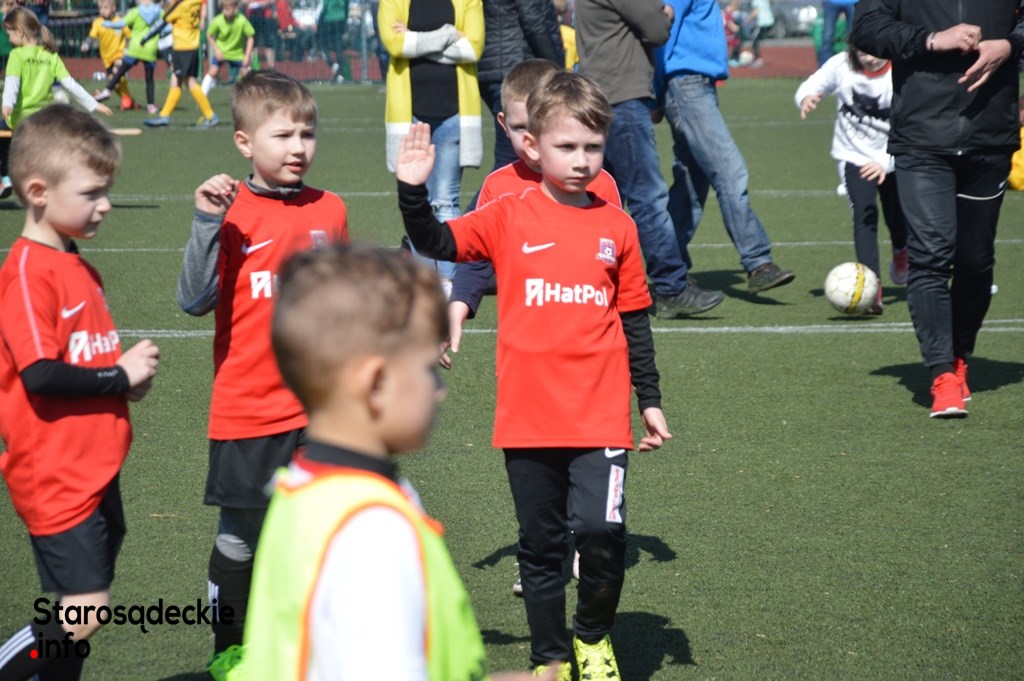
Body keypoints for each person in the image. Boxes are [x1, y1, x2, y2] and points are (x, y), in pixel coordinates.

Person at [397, 71, 673, 681]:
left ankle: (592, 638)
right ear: (532, 145)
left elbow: (635, 320)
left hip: (601, 414)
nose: (581, 160)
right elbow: (436, 240)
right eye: (566, 146)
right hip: (528, 416)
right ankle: (549, 657)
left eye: (592, 147)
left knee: (601, 532)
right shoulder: (506, 214)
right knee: (542, 547)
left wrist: (649, 399)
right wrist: (412, 191)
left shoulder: (618, 227)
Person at [229, 245, 553, 681]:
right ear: (376, 383)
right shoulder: (373, 529)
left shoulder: (301, 487)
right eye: (427, 370)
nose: (439, 390)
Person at [176, 70, 349, 678]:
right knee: (242, 535)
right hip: (249, 407)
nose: (298, 147)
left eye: (307, 134)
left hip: (320, 409)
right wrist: (206, 222)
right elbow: (194, 299)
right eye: (283, 135)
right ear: (245, 142)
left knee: (321, 530)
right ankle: (231, 647)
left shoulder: (331, 208)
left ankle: (309, 645)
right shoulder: (231, 212)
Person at [0, 104, 160, 681]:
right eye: (92, 193)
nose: (106, 205)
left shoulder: (79, 267)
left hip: (95, 467)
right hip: (55, 470)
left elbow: (80, 364)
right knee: (85, 611)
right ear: (38, 192)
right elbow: (40, 374)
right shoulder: (28, 274)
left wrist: (123, 386)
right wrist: (117, 378)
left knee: (73, 608)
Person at [851, 0, 1023, 417]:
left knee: (975, 262)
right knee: (930, 256)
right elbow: (867, 28)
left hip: (990, 135)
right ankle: (943, 373)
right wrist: (930, 40)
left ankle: (960, 356)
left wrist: (1011, 45)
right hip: (922, 136)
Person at [447, 58, 621, 365]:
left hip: (590, 343)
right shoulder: (497, 186)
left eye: (541, 127)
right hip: (525, 348)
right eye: (520, 128)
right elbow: (475, 259)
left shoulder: (600, 184)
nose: (531, 140)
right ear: (503, 124)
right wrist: (457, 306)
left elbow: (616, 267)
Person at [577, 0, 727, 318]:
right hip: (622, 97)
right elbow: (657, 29)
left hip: (603, 94)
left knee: (603, 199)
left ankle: (590, 282)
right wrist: (667, 13)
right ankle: (671, 286)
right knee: (647, 196)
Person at [656, 0, 795, 296]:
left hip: (693, 82)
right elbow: (662, 31)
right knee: (730, 171)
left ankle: (669, 263)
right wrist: (655, 91)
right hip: (686, 83)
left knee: (693, 180)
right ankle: (758, 262)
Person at [379, 0, 484, 297]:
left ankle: (448, 281)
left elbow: (473, 48)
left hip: (455, 113)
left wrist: (415, 40)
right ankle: (426, 281)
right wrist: (451, 34)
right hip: (410, 115)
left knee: (447, 199)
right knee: (417, 198)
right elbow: (395, 43)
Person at [796, 40, 907, 314]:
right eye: (862, 51)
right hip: (854, 156)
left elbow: (913, 128)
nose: (869, 58)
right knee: (864, 215)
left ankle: (901, 250)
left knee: (897, 215)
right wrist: (806, 97)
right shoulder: (842, 64)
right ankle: (872, 288)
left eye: (875, 51)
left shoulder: (903, 72)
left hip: (894, 154)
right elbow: (811, 85)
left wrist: (885, 163)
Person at [1, 7, 113, 201]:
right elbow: (70, 84)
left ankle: (5, 177)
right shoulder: (50, 55)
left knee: (3, 140)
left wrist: (7, 103)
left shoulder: (17, 56)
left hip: (19, 119)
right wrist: (94, 105)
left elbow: (12, 83)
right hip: (44, 120)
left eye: (9, 34)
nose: (9, 39)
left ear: (20, 32)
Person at [474, 0, 563, 172]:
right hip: (518, 68)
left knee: (515, 152)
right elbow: (533, 20)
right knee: (513, 155)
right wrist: (558, 70)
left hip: (488, 65)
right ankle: (492, 192)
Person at [141, 0, 219, 128]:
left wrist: (145, 38)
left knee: (189, 81)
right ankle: (164, 115)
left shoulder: (179, 4)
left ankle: (210, 115)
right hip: (191, 45)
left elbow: (162, 21)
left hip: (183, 47)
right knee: (176, 79)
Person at [93, 0, 164, 114]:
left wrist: (109, 25)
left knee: (121, 70)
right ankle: (151, 106)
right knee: (149, 79)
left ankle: (107, 90)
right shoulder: (159, 12)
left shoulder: (136, 11)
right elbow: (167, 25)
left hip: (135, 48)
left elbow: (121, 23)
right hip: (150, 49)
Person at [80, 0, 136, 111]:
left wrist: (127, 49)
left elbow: (129, 36)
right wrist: (86, 44)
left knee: (116, 71)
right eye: (100, 8)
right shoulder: (98, 22)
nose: (102, 11)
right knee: (115, 84)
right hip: (106, 59)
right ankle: (128, 99)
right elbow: (92, 36)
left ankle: (108, 94)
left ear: (113, 7)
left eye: (105, 8)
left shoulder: (119, 21)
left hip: (119, 54)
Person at [201, 0, 255, 94]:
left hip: (237, 53)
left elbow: (251, 37)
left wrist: (247, 55)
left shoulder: (241, 20)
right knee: (212, 71)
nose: (226, 11)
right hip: (222, 52)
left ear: (235, 8)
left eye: (228, 8)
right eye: (224, 8)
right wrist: (217, 50)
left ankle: (252, 96)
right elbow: (209, 35)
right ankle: (202, 96)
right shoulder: (218, 20)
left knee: (246, 74)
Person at [818, 0, 858, 67]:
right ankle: (824, 67)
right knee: (827, 37)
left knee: (854, 37)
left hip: (853, 2)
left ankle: (856, 66)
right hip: (831, 2)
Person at [317, 0, 349, 82]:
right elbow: (346, 6)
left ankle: (332, 64)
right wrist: (344, 19)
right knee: (339, 46)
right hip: (341, 20)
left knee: (322, 46)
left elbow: (323, 7)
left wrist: (318, 22)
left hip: (328, 21)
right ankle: (340, 74)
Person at [747, 0, 773, 67]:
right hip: (770, 22)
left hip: (762, 23)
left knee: (754, 40)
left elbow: (755, 12)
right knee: (756, 39)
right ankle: (757, 58)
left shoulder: (755, 1)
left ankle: (758, 59)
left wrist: (747, 20)